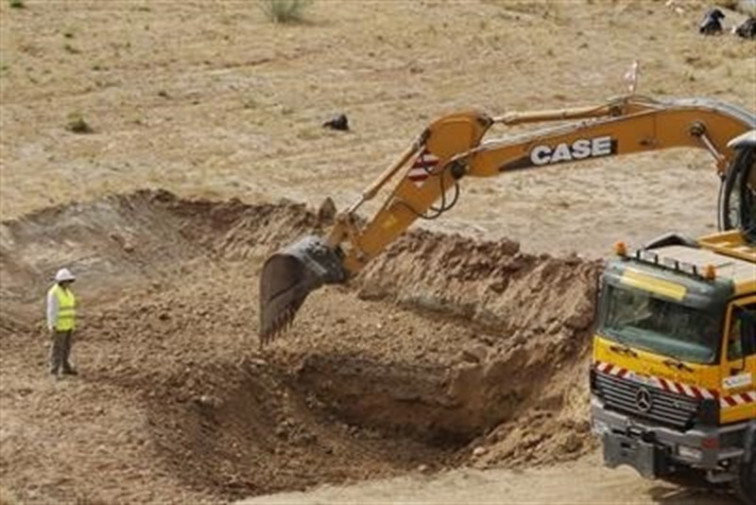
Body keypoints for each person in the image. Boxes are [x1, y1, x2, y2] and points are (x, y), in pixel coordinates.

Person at [47, 268, 78, 377]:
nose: (68, 283)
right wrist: (52, 325)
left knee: (66, 348)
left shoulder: (68, 292)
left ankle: (66, 367)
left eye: (69, 281)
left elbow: (70, 308)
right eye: (67, 281)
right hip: (59, 326)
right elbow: (52, 310)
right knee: (57, 349)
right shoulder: (54, 293)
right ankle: (54, 371)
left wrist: (73, 324)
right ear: (61, 281)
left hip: (68, 324)